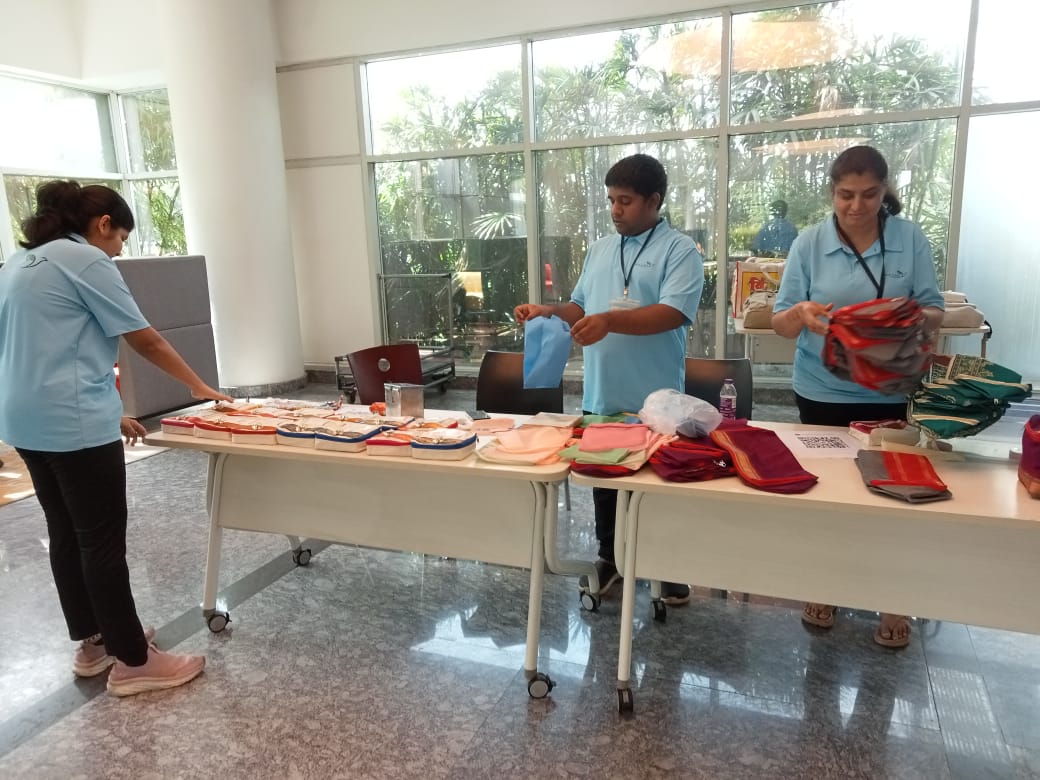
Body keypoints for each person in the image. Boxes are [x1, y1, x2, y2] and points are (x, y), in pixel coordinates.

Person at [0, 180, 233, 695]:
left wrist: (107, 414)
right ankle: (134, 660)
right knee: (101, 541)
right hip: (72, 422)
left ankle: (95, 642)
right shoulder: (86, 260)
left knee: (66, 534)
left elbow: (35, 348)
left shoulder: (17, 264)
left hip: (25, 423)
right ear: (103, 224)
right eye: (121, 238)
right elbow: (144, 339)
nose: (120, 250)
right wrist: (199, 387)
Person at [771, 146, 944, 649]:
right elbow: (781, 322)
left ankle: (892, 599)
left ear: (884, 191)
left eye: (869, 194)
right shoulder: (809, 243)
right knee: (826, 492)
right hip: (823, 390)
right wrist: (801, 313)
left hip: (890, 390)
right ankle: (825, 585)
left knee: (894, 493)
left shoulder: (909, 239)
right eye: (846, 195)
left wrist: (893, 318)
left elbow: (935, 310)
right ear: (832, 192)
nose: (857, 206)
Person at [515, 153, 704, 605]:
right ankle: (609, 558)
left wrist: (609, 322)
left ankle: (665, 566)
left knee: (657, 485)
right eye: (611, 201)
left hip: (656, 399)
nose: (616, 210)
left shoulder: (680, 250)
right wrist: (549, 311)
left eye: (625, 201)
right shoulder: (601, 249)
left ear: (653, 201)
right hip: (603, 392)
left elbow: (673, 313)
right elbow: (581, 306)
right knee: (603, 482)